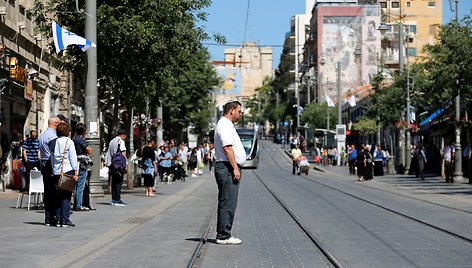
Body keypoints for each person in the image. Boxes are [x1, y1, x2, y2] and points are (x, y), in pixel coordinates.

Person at [213, 100, 246, 245]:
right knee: (228, 201)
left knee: (228, 201)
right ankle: (224, 235)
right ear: (231, 110)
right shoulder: (224, 125)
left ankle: (224, 234)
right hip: (226, 167)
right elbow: (227, 148)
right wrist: (235, 168)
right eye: (239, 111)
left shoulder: (226, 125)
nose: (240, 114)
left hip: (227, 167)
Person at [51, 123, 79, 227]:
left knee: (58, 196)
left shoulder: (54, 142)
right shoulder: (69, 142)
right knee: (66, 197)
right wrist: (76, 171)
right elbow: (73, 158)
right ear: (67, 131)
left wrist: (54, 170)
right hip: (67, 171)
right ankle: (65, 219)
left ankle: (58, 220)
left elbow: (52, 158)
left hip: (57, 172)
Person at [39, 117, 61, 226]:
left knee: (47, 192)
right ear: (56, 124)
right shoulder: (53, 137)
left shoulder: (42, 135)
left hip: (43, 163)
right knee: (54, 191)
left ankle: (48, 217)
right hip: (50, 165)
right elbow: (54, 153)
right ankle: (53, 216)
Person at [72, 123, 93, 211]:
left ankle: (76, 203)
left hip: (75, 162)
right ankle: (79, 205)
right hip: (82, 163)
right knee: (81, 185)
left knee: (76, 185)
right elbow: (89, 150)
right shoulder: (81, 140)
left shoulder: (73, 139)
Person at [105, 129, 128, 206]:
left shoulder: (112, 141)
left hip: (112, 164)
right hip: (119, 165)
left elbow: (109, 153)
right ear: (123, 135)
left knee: (114, 182)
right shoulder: (120, 141)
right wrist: (125, 165)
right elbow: (123, 153)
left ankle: (113, 199)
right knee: (119, 182)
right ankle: (117, 199)